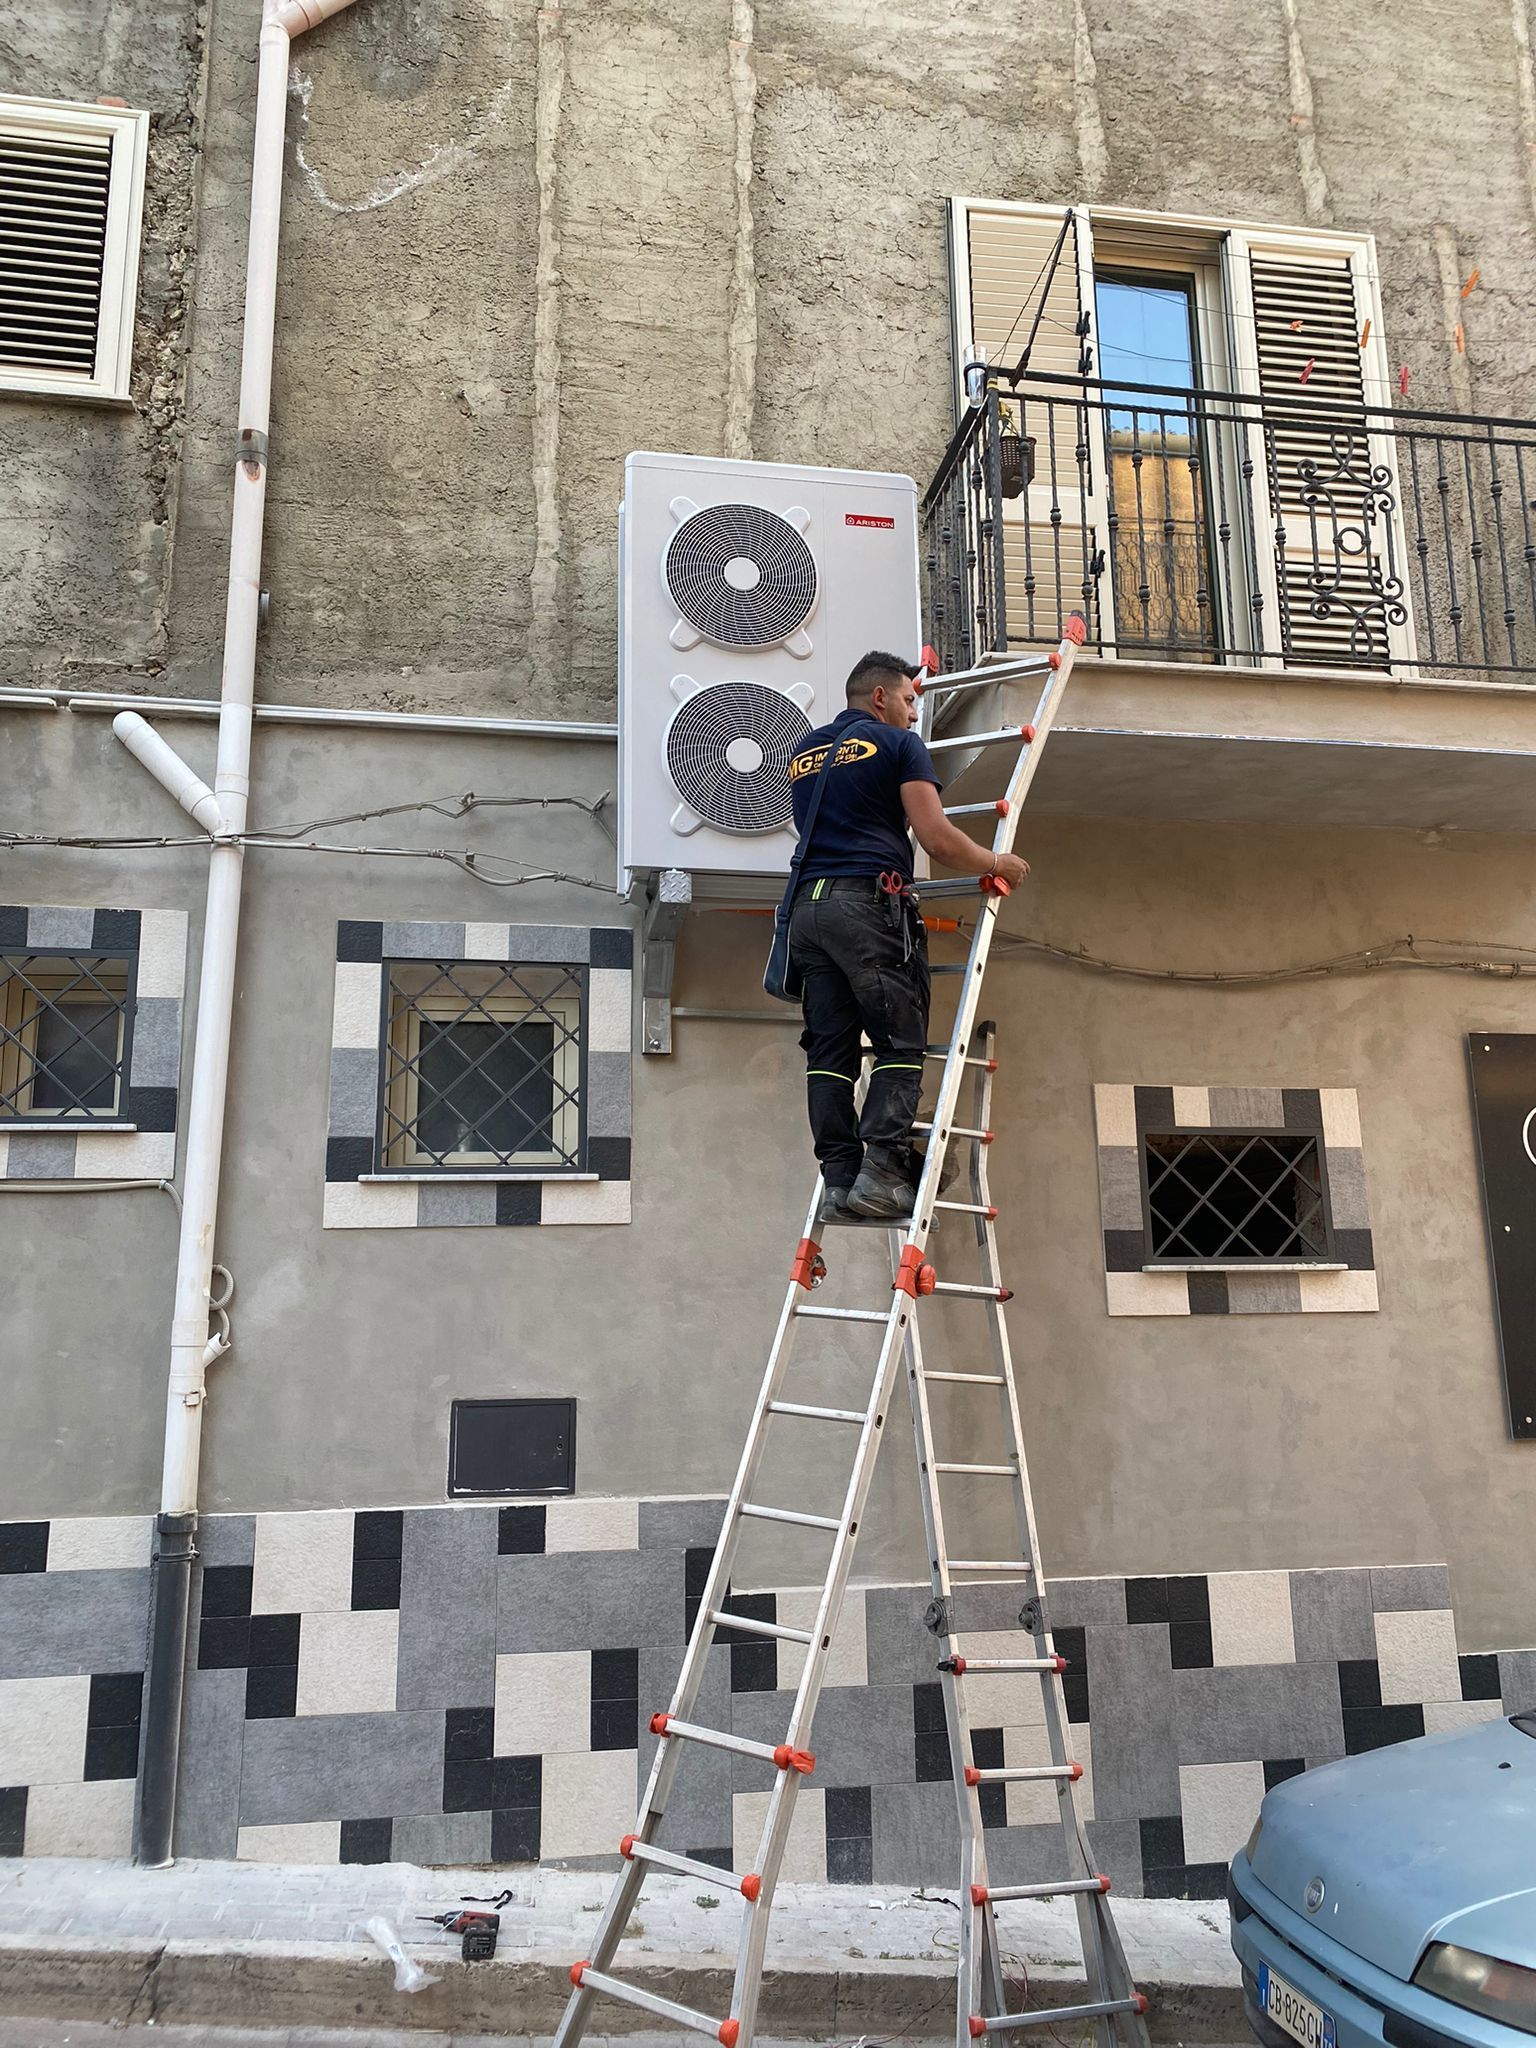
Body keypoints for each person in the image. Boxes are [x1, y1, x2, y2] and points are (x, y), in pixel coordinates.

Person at [786, 650, 1029, 1222]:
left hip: (807, 911)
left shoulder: (806, 749)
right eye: (910, 699)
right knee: (899, 1042)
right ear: (880, 697)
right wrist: (997, 862)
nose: (916, 714)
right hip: (866, 908)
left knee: (830, 1054)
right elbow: (936, 837)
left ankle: (842, 1179)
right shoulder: (898, 746)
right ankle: (884, 1169)